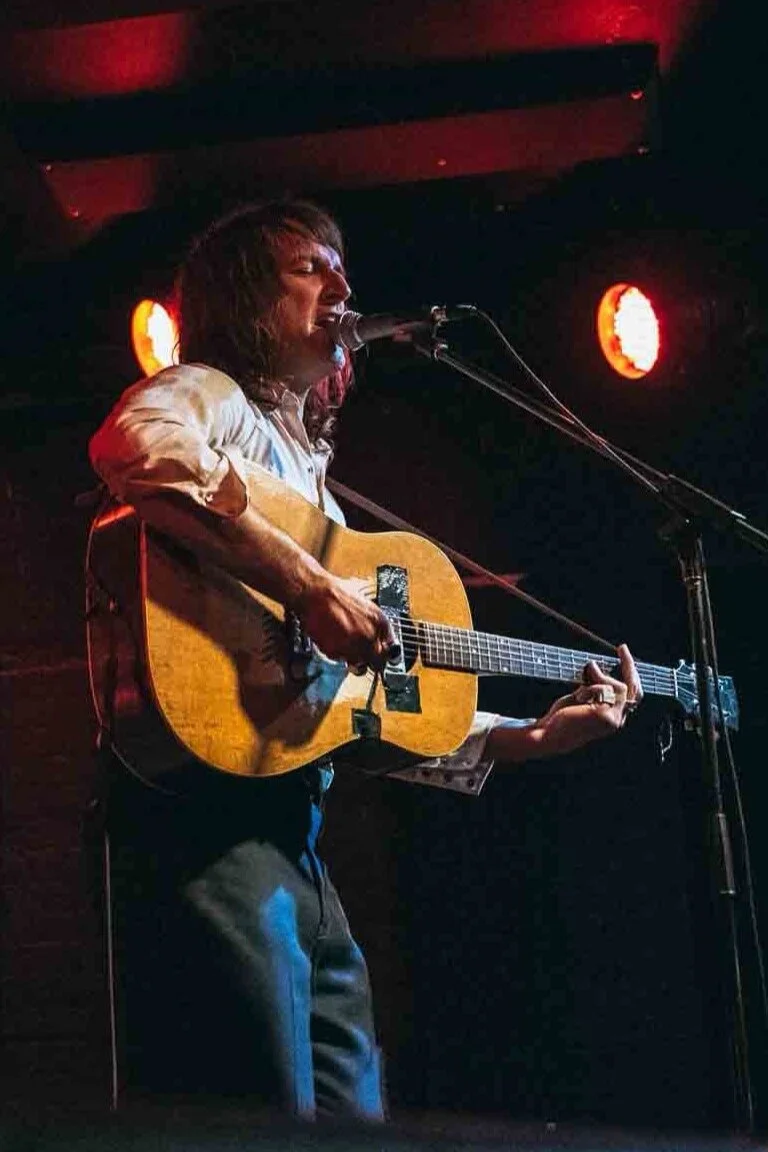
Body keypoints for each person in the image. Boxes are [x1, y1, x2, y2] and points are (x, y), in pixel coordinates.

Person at [87, 198, 642, 1121]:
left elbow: (360, 713)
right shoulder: (213, 396)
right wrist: (306, 586)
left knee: (353, 1109)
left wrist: (529, 736)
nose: (342, 286)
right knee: (271, 1114)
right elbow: (131, 444)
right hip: (207, 828)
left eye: (343, 267)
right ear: (245, 299)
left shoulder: (314, 494)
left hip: (296, 842)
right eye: (310, 267)